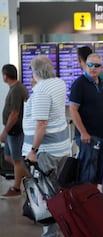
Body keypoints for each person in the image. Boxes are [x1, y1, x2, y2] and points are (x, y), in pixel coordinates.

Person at [23, 55, 71, 237]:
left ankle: (51, 234)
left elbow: (41, 124)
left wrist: (33, 151)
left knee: (47, 196)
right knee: (56, 192)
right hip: (60, 148)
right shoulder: (59, 83)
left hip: (46, 151)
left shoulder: (41, 90)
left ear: (36, 71)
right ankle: (61, 230)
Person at [69, 53, 103, 184]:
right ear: (85, 66)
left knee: (101, 172)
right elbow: (73, 110)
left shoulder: (101, 83)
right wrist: (83, 132)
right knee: (88, 173)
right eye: (90, 65)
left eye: (96, 65)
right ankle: (85, 201)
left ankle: (96, 200)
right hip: (88, 137)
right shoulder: (79, 84)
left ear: (101, 68)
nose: (93, 68)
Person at [77, 46, 103, 150]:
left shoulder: (99, 81)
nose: (93, 68)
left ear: (79, 60)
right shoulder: (84, 82)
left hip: (95, 135)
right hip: (96, 135)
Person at [0, 64, 29, 197]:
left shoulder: (17, 89)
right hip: (12, 131)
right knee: (7, 157)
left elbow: (15, 113)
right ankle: (29, 177)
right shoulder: (15, 88)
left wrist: (5, 131)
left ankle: (16, 188)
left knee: (17, 160)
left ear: (5, 75)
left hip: (15, 131)